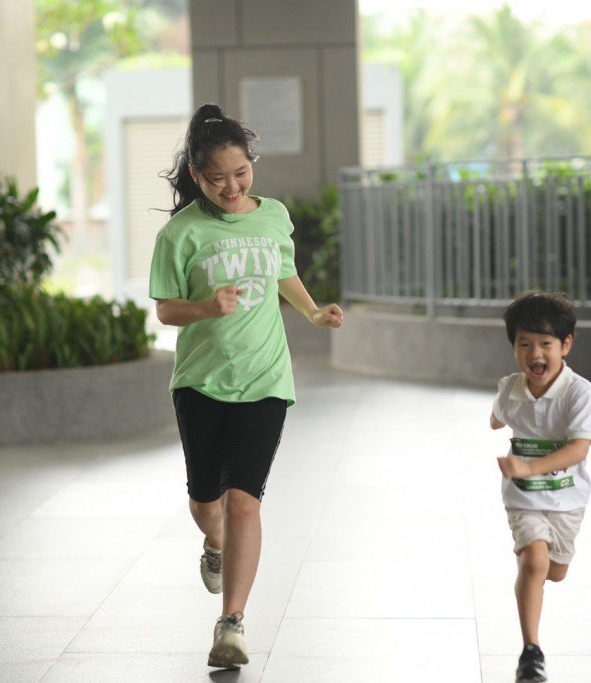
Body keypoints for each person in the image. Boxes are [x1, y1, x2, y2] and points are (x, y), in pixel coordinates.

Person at [148, 103, 344, 670]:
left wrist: (310, 313)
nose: (231, 187)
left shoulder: (273, 215)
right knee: (206, 505)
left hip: (264, 380)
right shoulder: (180, 233)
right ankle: (212, 545)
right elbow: (164, 310)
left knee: (243, 503)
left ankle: (231, 623)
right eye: (217, 178)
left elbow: (283, 271)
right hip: (202, 384)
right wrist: (206, 308)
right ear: (195, 177)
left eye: (241, 173)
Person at [489, 290, 591, 683]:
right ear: (514, 347)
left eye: (545, 344)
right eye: (524, 344)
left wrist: (529, 465)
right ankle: (530, 654)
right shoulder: (511, 388)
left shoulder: (578, 392)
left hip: (568, 498)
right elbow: (496, 417)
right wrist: (504, 425)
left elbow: (579, 449)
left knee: (555, 571)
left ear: (565, 345)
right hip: (523, 498)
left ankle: (542, 566)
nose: (535, 354)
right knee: (534, 561)